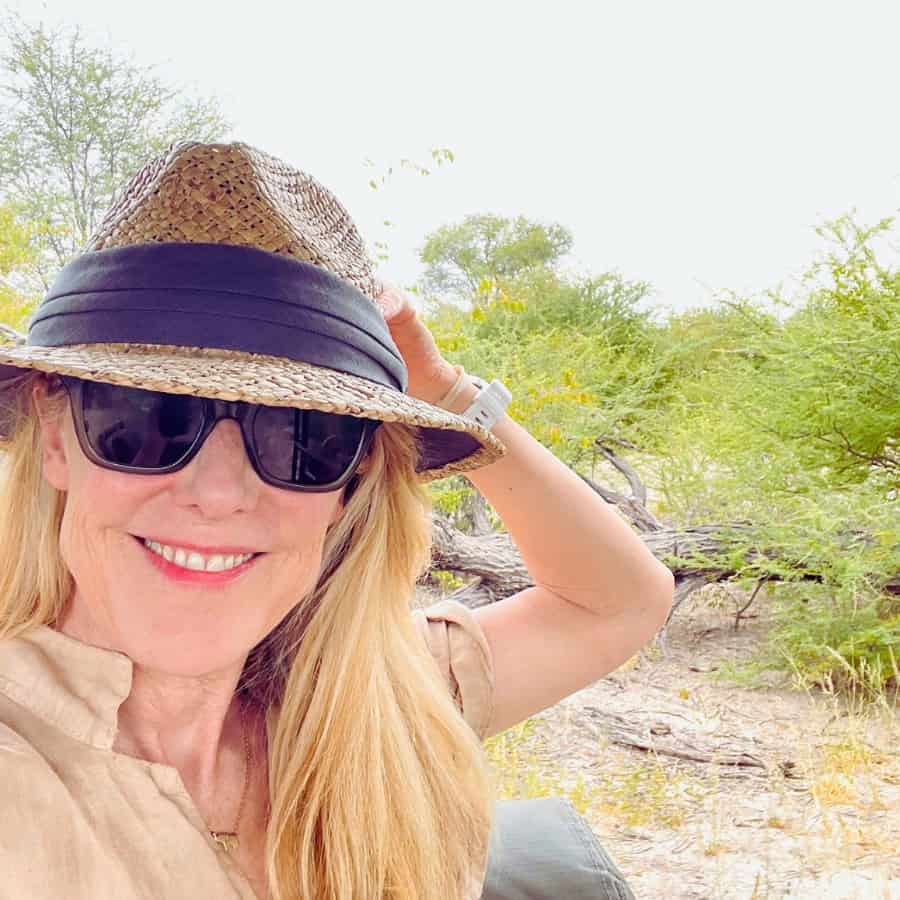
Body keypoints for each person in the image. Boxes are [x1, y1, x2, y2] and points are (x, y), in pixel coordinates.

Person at [0, 141, 672, 900]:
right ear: (56, 441)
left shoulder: (376, 703)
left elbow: (621, 600)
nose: (219, 494)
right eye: (148, 417)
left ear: (351, 480)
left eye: (301, 436)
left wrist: (445, 391)